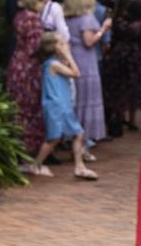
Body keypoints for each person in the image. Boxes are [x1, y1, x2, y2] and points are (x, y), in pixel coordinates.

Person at [32, 32, 98, 181]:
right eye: (61, 43)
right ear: (54, 47)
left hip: (62, 104)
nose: (65, 45)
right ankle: (36, 165)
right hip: (57, 105)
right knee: (54, 138)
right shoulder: (53, 64)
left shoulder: (55, 62)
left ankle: (79, 166)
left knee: (77, 133)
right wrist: (68, 55)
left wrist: (64, 56)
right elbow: (76, 73)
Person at [63, 0, 110, 147]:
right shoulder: (87, 18)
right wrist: (103, 29)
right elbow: (89, 41)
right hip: (86, 62)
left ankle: (72, 136)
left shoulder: (66, 16)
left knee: (75, 99)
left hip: (71, 60)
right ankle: (84, 139)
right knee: (87, 100)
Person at [6, 0, 50, 156]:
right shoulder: (33, 19)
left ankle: (16, 150)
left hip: (16, 65)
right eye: (44, 0)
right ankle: (28, 153)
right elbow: (34, 48)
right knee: (30, 110)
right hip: (29, 69)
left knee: (18, 109)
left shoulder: (20, 15)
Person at [103, 0, 141, 133]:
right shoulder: (140, 25)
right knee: (132, 88)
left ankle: (118, 116)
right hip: (134, 57)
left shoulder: (118, 21)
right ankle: (131, 119)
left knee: (118, 87)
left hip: (118, 55)